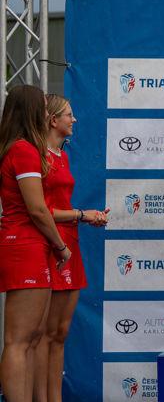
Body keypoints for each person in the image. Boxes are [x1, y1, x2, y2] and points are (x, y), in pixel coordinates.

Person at [32, 95, 108, 402]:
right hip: (50, 245)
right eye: (68, 115)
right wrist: (81, 214)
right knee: (44, 334)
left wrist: (85, 216)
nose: (73, 120)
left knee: (60, 334)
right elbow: (40, 211)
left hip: (69, 244)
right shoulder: (37, 157)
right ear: (53, 120)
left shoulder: (62, 156)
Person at [0, 85, 71, 402]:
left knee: (30, 338)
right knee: (18, 340)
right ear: (31, 111)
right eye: (43, 107)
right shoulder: (24, 150)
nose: (46, 112)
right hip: (24, 245)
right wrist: (60, 246)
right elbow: (38, 209)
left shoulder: (23, 148)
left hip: (31, 246)